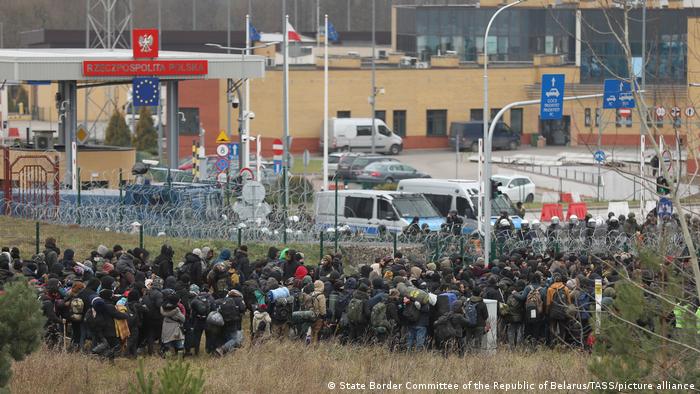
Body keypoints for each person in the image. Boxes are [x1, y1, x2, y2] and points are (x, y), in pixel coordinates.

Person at [215, 289, 246, 356]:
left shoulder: (225, 299)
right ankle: (222, 349)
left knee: (227, 336)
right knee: (235, 339)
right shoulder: (239, 299)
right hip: (235, 320)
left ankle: (229, 352)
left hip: (223, 321)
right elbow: (243, 308)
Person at [463, 287, 489, 353]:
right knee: (478, 342)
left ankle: (468, 355)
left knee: (468, 342)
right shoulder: (482, 304)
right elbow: (486, 316)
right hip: (479, 325)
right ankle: (476, 357)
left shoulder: (468, 302)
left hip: (469, 324)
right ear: (480, 293)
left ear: (472, 293)